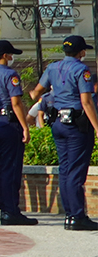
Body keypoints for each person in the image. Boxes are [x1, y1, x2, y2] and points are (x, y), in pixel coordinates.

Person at [28, 36, 98, 231]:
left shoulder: (52, 68)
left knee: (66, 169)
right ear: (81, 52)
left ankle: (69, 214)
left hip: (58, 122)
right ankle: (77, 216)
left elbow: (36, 93)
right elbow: (86, 101)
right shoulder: (81, 70)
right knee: (76, 170)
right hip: (76, 124)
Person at [0, 40, 37, 227]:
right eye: (11, 54)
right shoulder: (10, 74)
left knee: (1, 167)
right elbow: (16, 103)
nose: (12, 58)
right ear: (5, 55)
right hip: (8, 123)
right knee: (12, 168)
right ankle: (11, 211)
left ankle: (4, 208)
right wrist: (25, 127)